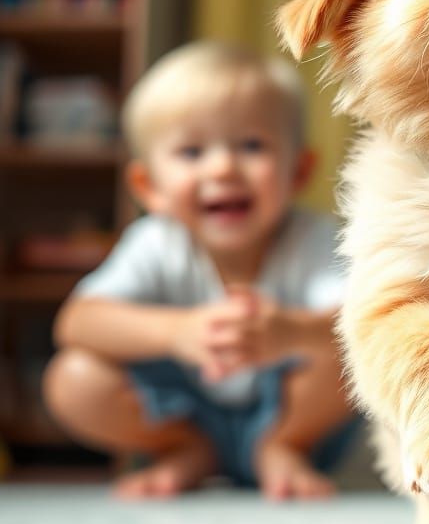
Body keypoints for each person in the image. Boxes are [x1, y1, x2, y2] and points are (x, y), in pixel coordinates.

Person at [43, 41, 356, 500]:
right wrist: (175, 332)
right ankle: (188, 450)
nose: (223, 167)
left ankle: (281, 446)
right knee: (73, 377)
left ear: (299, 170)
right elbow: (77, 322)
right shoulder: (155, 241)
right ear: (149, 187)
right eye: (191, 152)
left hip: (297, 413)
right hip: (185, 410)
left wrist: (290, 333)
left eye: (251, 145)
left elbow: (360, 323)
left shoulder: (314, 237)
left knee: (356, 352)